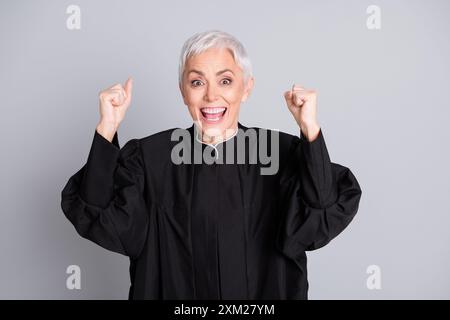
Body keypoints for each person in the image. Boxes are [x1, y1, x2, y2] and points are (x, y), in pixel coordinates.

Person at [60, 30, 362, 300]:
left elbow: (316, 221)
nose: (211, 95)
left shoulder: (281, 154)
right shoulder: (150, 159)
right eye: (197, 82)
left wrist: (310, 130)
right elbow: (101, 218)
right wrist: (107, 128)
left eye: (226, 81)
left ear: (246, 88)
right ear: (182, 90)